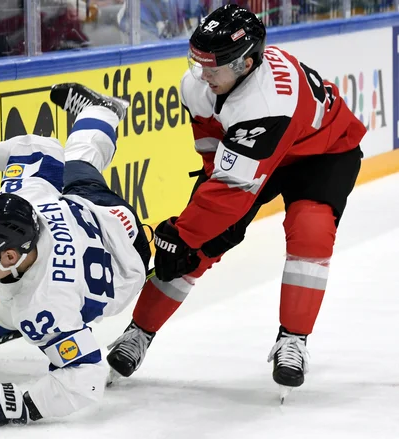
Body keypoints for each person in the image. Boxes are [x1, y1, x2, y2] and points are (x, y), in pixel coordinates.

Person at [106, 4, 366, 398]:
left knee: (310, 232)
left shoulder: (266, 102)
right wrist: (192, 237)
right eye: (199, 63)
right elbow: (216, 157)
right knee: (197, 245)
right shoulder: (200, 84)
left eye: (214, 67)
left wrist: (185, 233)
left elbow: (232, 190)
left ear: (246, 64)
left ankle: (293, 339)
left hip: (323, 152)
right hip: (259, 153)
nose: (203, 73)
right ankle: (138, 332)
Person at [0, 83, 152, 427]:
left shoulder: (45, 307)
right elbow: (41, 149)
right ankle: (101, 110)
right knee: (76, 164)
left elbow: (86, 377)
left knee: (14, 310)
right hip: (103, 215)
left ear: (8, 257)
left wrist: (21, 406)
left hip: (128, 266)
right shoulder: (27, 197)